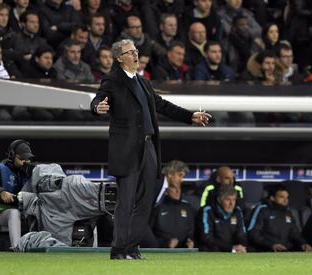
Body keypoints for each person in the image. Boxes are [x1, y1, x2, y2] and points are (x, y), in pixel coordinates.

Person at [90, 39, 211, 260]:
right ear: (119, 58)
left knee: (145, 202)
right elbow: (98, 99)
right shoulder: (112, 80)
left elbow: (162, 105)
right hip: (127, 149)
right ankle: (118, 250)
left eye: (136, 51)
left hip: (148, 146)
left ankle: (132, 247)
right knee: (126, 201)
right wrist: (97, 107)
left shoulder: (143, 82)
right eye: (130, 52)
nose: (136, 54)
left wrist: (190, 116)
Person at [0, 139, 35, 250]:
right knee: (14, 213)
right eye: (22, 158)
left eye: (27, 159)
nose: (25, 161)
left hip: (23, 212)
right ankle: (17, 247)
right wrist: (1, 192)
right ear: (12, 155)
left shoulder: (27, 172)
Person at [248, 184, 312, 252]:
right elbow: (253, 233)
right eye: (282, 197)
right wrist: (271, 245)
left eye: (287, 197)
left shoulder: (288, 212)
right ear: (272, 197)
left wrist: (303, 243)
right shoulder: (262, 210)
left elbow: (295, 233)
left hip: (286, 251)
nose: (285, 200)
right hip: (266, 250)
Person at [150, 163, 195, 248]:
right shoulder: (158, 204)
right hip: (161, 248)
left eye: (179, 188)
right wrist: (164, 243)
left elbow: (191, 230)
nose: (177, 190)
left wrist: (190, 240)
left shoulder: (187, 207)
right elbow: (150, 229)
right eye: (180, 175)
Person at [199, 185, 248, 252]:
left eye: (234, 200)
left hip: (233, 250)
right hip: (212, 251)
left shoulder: (237, 211)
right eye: (228, 200)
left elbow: (241, 234)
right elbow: (206, 238)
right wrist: (230, 248)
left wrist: (241, 246)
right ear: (219, 200)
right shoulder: (208, 211)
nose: (231, 204)